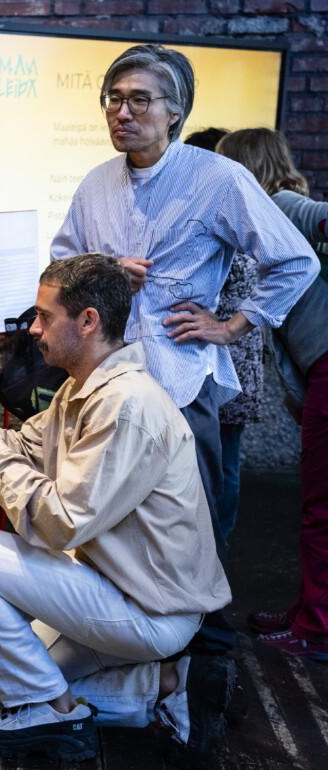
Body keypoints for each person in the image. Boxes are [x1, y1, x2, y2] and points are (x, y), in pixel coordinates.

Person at [0, 253, 234, 765]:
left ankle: (60, 709)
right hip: (113, 590)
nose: (34, 329)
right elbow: (21, 449)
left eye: (44, 316)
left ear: (88, 321)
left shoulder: (126, 405)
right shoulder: (81, 390)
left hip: (149, 611)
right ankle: (165, 686)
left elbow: (60, 523)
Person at [51, 45, 319, 566]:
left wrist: (231, 326)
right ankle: (119, 626)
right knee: (108, 516)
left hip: (180, 376)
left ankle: (207, 636)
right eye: (114, 99)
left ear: (175, 112)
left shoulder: (217, 178)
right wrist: (105, 270)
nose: (122, 112)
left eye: (139, 101)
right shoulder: (96, 183)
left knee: (193, 516)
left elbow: (294, 260)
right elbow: (62, 262)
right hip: (105, 377)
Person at [217, 128, 328, 661]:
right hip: (318, 371)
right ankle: (310, 612)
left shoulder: (284, 203)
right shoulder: (271, 220)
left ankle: (316, 628)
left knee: (321, 507)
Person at [183, 126, 264, 545]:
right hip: (234, 359)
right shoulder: (238, 211)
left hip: (223, 361)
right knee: (222, 461)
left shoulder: (223, 216)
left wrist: (225, 326)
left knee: (219, 464)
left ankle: (215, 552)